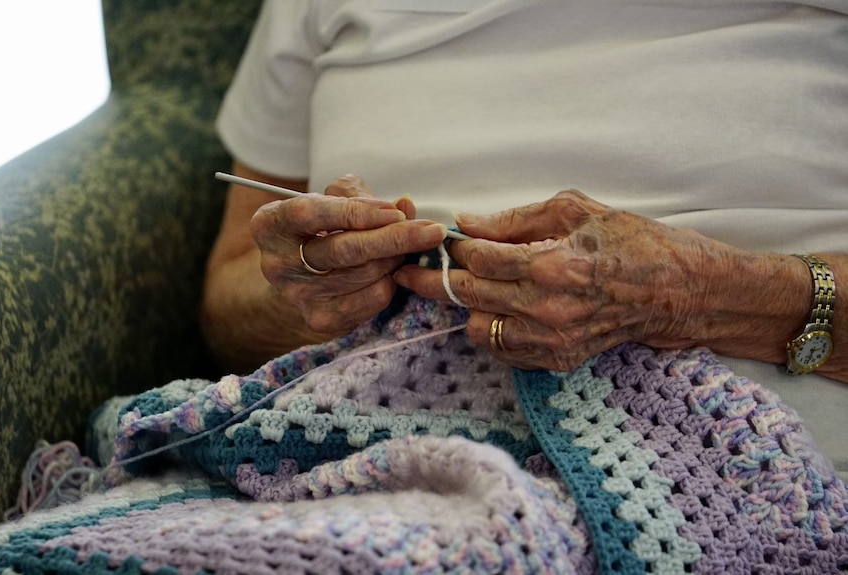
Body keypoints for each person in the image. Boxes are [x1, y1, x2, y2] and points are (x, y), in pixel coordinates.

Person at [200, 1, 847, 476]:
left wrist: (701, 294)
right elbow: (228, 301)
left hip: (740, 473)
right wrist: (312, 284)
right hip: (348, 457)